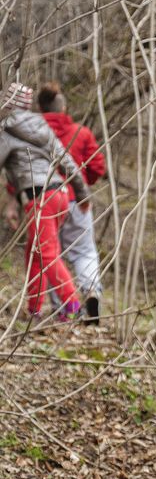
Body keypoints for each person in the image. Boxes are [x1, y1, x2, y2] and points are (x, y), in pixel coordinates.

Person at [0, 81, 90, 320]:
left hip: (40, 198)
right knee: (35, 254)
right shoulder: (41, 125)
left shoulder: (7, 129)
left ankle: (73, 306)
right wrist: (81, 194)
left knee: (47, 253)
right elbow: (66, 159)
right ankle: (35, 309)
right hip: (59, 194)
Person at [36, 82, 105, 324]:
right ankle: (90, 290)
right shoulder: (82, 133)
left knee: (55, 256)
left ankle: (63, 309)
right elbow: (98, 166)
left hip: (46, 202)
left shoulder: (33, 134)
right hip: (78, 200)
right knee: (84, 252)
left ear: (41, 109)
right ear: (63, 108)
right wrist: (87, 182)